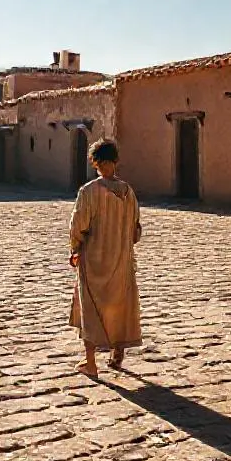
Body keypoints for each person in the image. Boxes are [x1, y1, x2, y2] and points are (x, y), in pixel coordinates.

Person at [68, 138, 142, 378]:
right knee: (119, 303)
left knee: (89, 308)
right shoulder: (128, 192)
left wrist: (75, 248)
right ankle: (117, 354)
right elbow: (136, 231)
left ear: (95, 162)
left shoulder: (88, 192)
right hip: (121, 259)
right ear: (116, 160)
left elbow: (78, 225)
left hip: (94, 259)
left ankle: (91, 363)